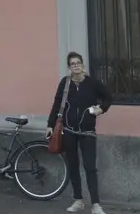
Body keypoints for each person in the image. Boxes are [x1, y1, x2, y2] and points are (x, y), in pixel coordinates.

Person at [46, 52, 112, 214]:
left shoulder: (93, 83)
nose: (76, 66)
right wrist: (50, 124)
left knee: (90, 167)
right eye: (72, 64)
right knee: (73, 166)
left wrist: (101, 109)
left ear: (83, 65)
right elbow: (57, 104)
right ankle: (78, 200)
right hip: (68, 131)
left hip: (87, 132)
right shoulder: (65, 83)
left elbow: (108, 98)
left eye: (78, 63)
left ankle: (96, 204)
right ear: (69, 67)